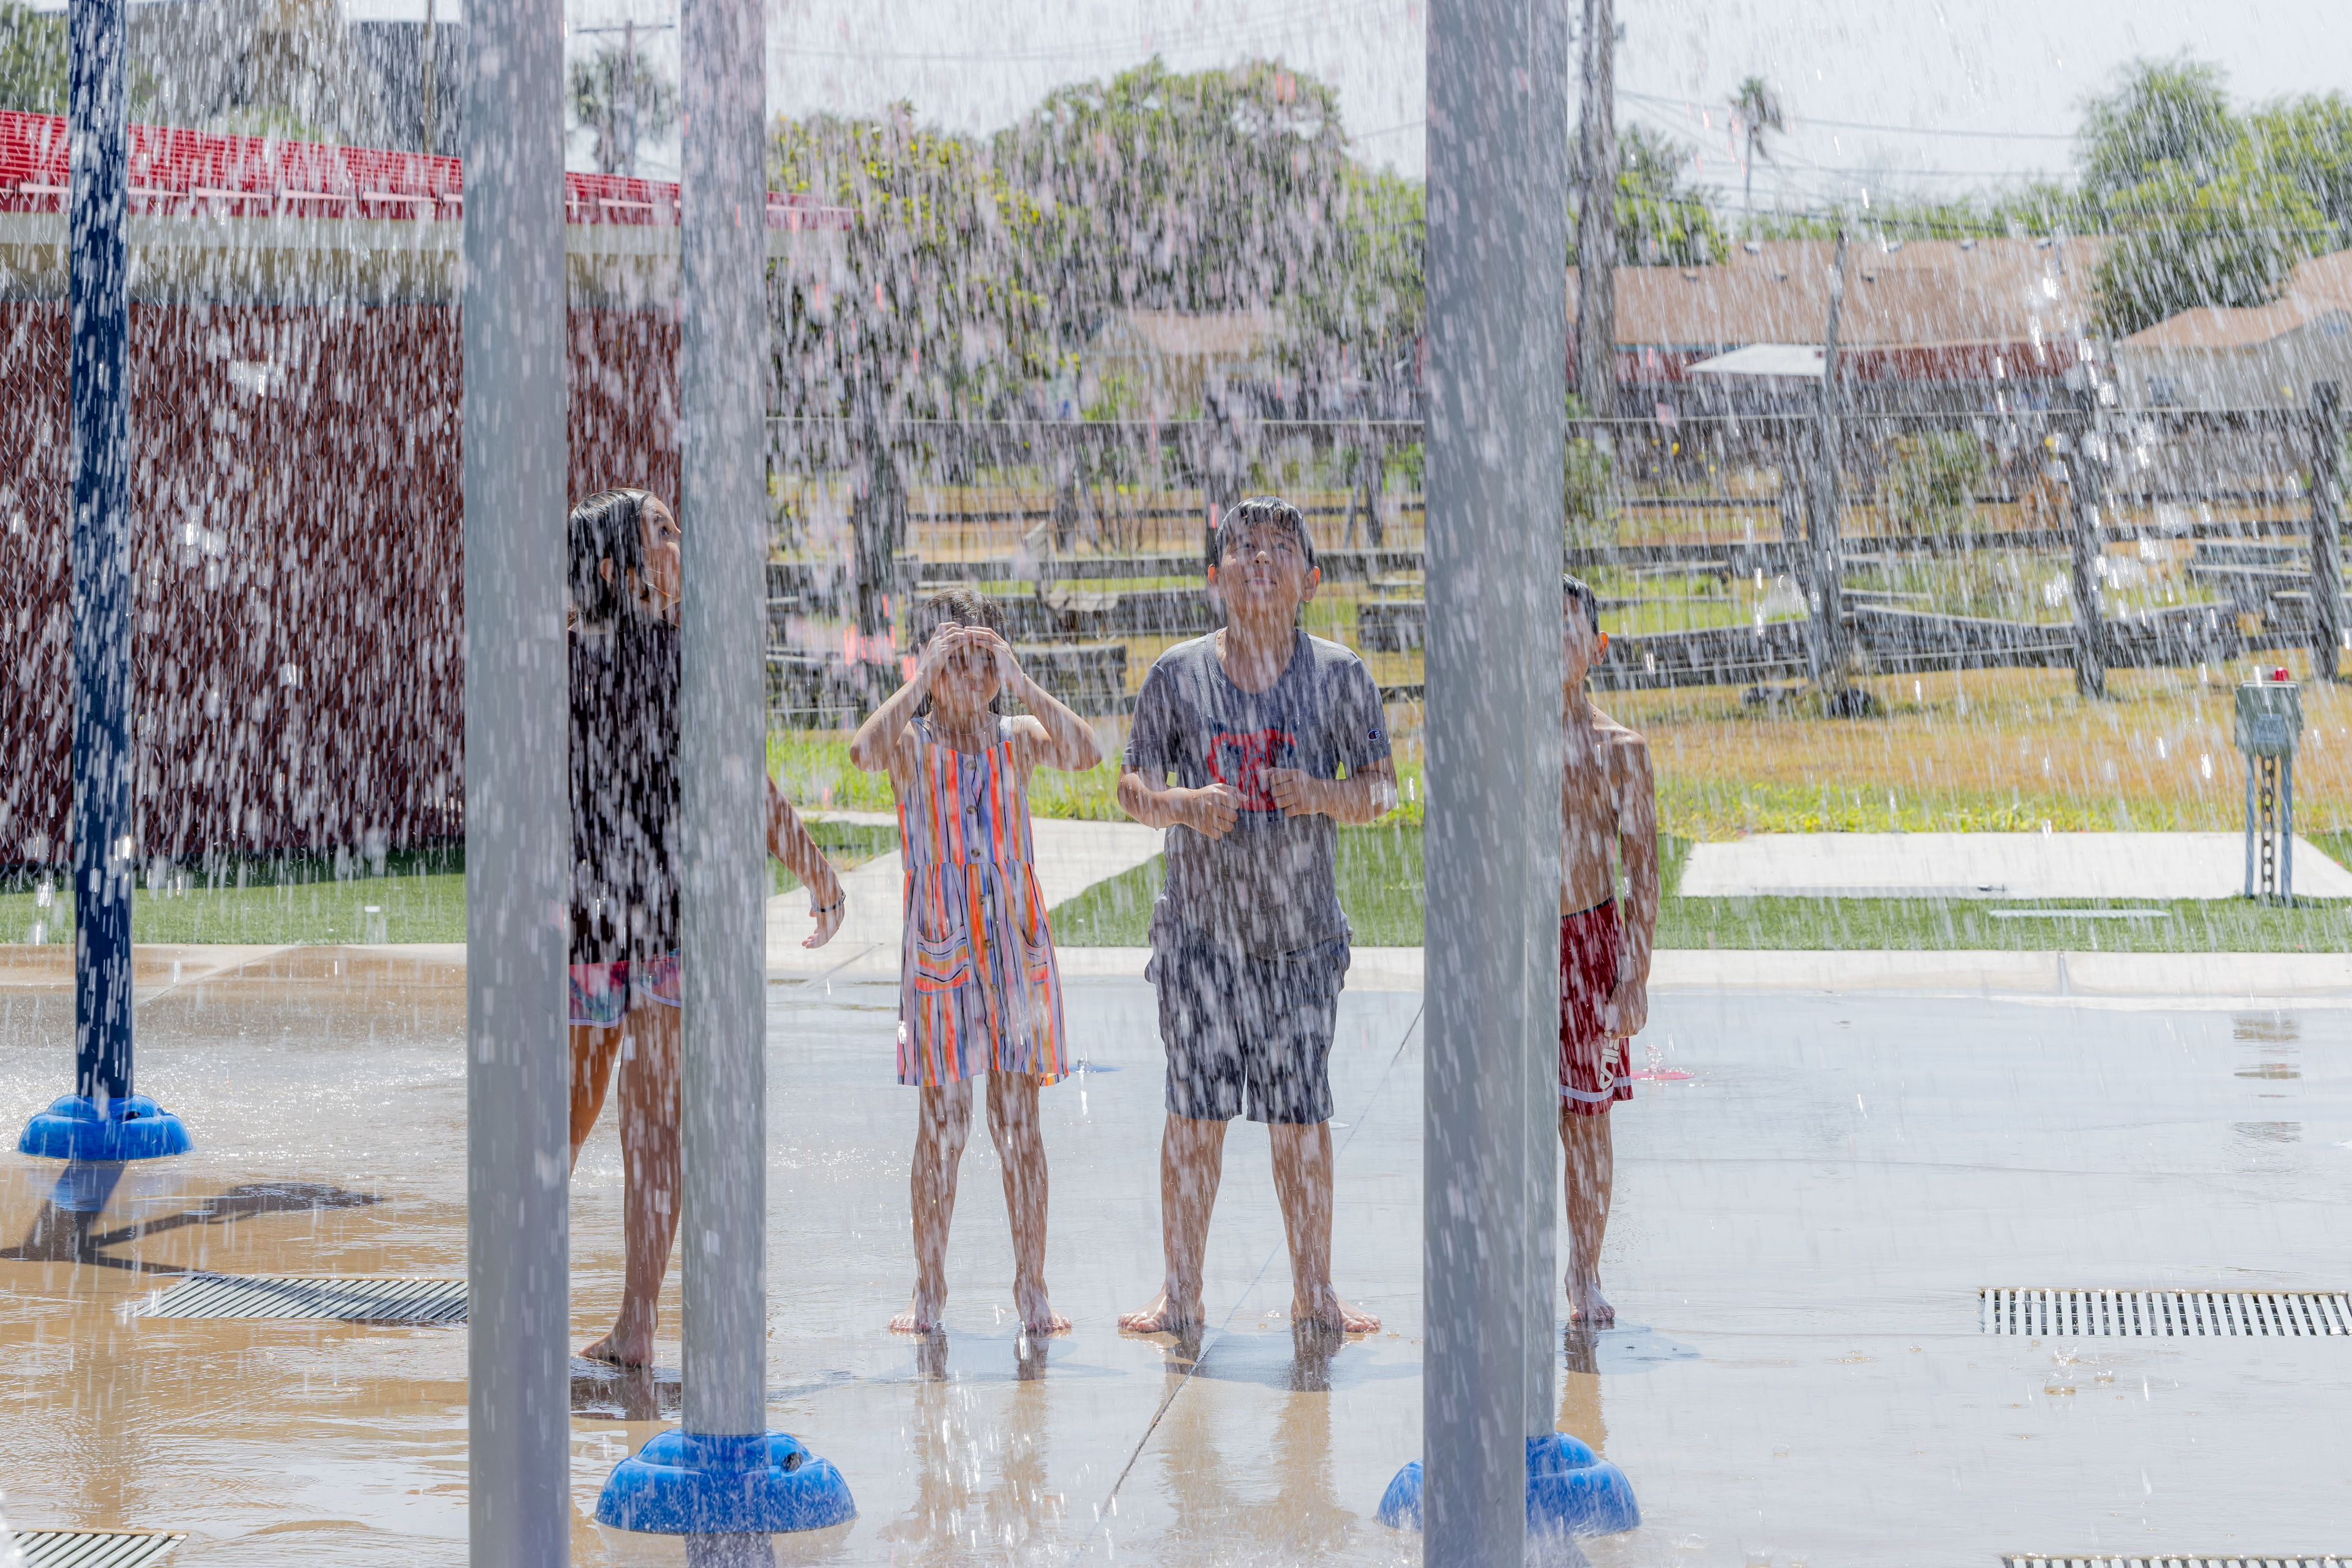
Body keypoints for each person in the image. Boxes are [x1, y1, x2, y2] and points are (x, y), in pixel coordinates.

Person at [566, 485, 847, 1367]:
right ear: (619, 563)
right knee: (645, 1125)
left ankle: (568, 1311)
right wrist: (814, 867)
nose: (681, 547)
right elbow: (745, 787)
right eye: (662, 534)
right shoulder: (688, 653)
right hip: (656, 921)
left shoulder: (561, 654)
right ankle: (638, 1323)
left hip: (596, 918)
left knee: (565, 1125)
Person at [1115, 495, 1397, 1337]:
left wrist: (1320, 792)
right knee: (1193, 1118)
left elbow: (1380, 789)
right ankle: (1180, 1294)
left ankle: (1314, 1292)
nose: (1260, 561)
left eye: (1279, 548)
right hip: (1199, 940)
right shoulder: (1178, 674)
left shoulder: (1339, 675)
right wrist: (1183, 804)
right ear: (1214, 578)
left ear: (1309, 579)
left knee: (1300, 1121)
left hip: (1300, 941)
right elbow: (1132, 789)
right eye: (1242, 549)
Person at [847, 587, 1104, 1337]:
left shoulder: (1016, 734)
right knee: (942, 1127)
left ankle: (1033, 1285)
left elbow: (1087, 753)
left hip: (1014, 946)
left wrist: (1020, 679)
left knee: (1019, 1122)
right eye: (953, 659)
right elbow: (860, 753)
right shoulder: (911, 742)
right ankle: (929, 1288)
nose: (970, 673)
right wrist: (918, 678)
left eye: (980, 659)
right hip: (940, 946)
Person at [1556, 573, 1658, 1326]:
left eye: (1567, 629)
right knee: (1504, 1121)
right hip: (1515, 946)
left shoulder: (1620, 749)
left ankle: (1584, 1271)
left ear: (1597, 646)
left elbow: (1643, 866)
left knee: (1587, 1121)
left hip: (1585, 938)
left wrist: (1634, 975)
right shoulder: (1501, 740)